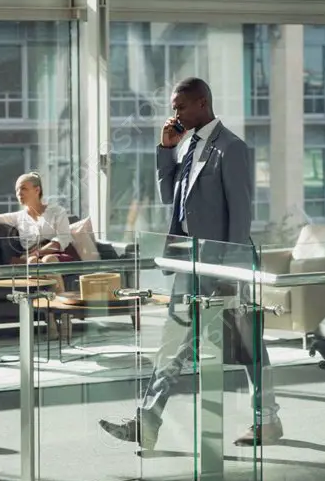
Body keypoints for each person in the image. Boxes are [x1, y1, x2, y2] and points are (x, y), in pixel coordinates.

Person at [98, 77, 283, 450]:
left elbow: (241, 216)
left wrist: (229, 274)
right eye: (173, 108)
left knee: (248, 345)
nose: (175, 114)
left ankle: (267, 419)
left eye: (180, 107)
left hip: (222, 266)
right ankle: (147, 420)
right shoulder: (187, 147)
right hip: (189, 262)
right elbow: (170, 197)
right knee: (174, 342)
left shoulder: (231, 148)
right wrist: (166, 150)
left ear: (202, 103)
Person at [0, 169, 79, 264]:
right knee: (32, 262)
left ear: (37, 190)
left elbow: (61, 240)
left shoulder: (57, 211)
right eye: (17, 190)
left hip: (58, 257)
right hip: (31, 260)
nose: (19, 193)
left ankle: (57, 286)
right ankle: (47, 286)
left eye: (23, 188)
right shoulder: (17, 217)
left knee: (47, 260)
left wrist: (36, 253)